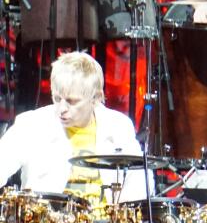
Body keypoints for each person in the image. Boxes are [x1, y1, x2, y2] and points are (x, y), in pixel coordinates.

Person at [0, 51, 145, 203]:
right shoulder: (31, 124)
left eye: (72, 101)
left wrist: (125, 219)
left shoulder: (119, 125)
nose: (62, 108)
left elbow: (139, 179)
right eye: (57, 98)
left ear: (95, 98)